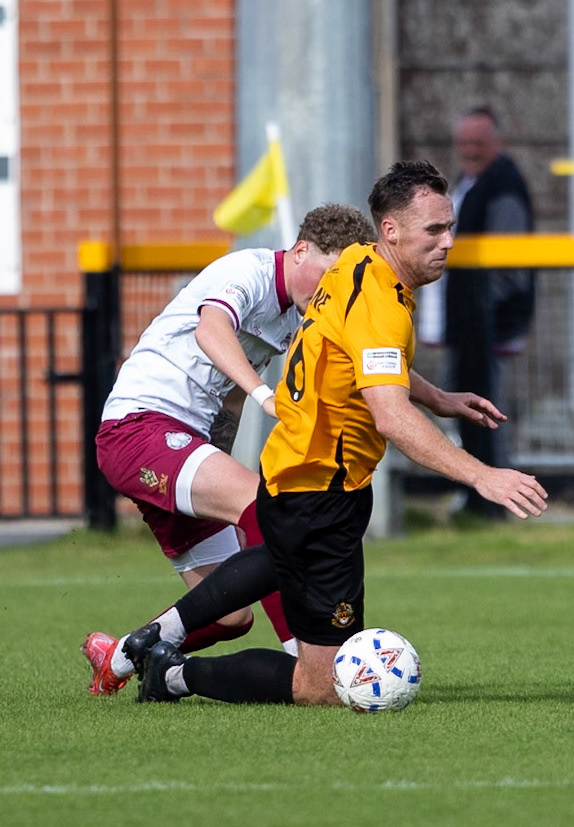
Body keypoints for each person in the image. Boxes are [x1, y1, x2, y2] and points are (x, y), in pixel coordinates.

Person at [119, 159, 547, 706]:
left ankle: (161, 634)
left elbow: (361, 357)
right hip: (323, 493)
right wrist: (482, 475)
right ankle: (172, 675)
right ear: (390, 230)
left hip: (289, 472)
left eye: (451, 227)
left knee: (277, 553)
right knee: (320, 686)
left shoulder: (354, 267)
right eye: (434, 230)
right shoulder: (380, 302)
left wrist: (438, 397)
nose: (448, 242)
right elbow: (389, 417)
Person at [81, 203, 373, 696]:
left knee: (232, 617)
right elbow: (211, 331)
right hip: (138, 428)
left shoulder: (296, 314)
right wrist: (267, 398)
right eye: (326, 276)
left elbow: (228, 396)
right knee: (267, 507)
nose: (328, 292)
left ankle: (121, 658)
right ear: (300, 250)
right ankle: (302, 658)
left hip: (182, 447)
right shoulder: (249, 271)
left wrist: (217, 461)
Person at [443, 108, 536, 515]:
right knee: (469, 406)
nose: (468, 151)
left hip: (492, 322)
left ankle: (499, 501)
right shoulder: (468, 182)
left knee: (490, 410)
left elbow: (508, 262)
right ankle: (476, 496)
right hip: (468, 322)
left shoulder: (504, 186)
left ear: (496, 143)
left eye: (477, 143)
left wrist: (490, 309)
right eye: (463, 143)